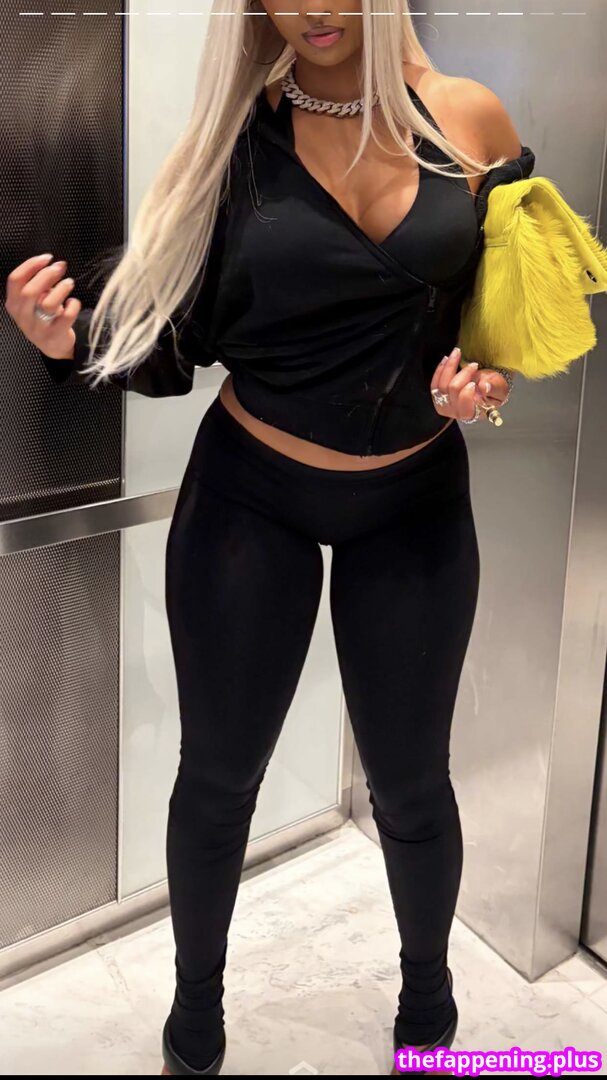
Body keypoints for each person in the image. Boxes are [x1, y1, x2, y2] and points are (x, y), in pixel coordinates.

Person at [5, 2, 535, 1075]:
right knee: (217, 778)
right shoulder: (235, 139)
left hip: (414, 502)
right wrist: (71, 339)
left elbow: (508, 314)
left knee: (411, 785)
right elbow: (178, 335)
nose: (311, 7)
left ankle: (427, 1014)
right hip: (251, 497)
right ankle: (194, 1019)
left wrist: (483, 382)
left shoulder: (469, 119)